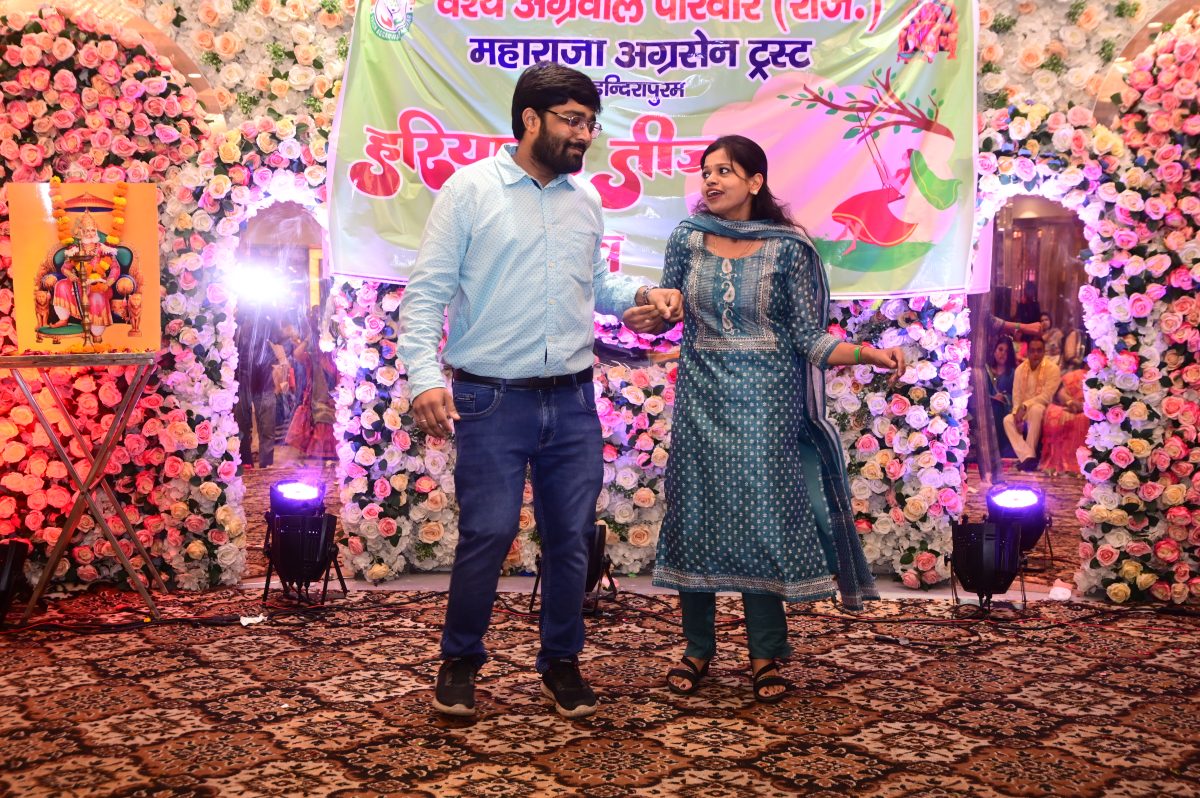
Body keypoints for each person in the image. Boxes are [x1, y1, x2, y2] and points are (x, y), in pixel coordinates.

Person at [397, 62, 683, 719]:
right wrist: (423, 378)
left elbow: (597, 284)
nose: (584, 134)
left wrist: (640, 297)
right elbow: (428, 292)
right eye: (572, 120)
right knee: (488, 533)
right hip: (490, 398)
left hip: (573, 400)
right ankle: (460, 661)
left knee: (572, 537)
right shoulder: (470, 190)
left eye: (591, 124)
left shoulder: (585, 200)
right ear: (530, 119)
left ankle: (561, 663)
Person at [641, 136, 903, 703]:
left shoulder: (789, 249)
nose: (711, 181)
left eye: (725, 171)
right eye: (706, 172)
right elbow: (668, 312)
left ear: (755, 181)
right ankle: (697, 648)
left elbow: (808, 337)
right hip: (701, 402)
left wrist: (868, 353)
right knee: (695, 517)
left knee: (759, 521)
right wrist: (652, 314)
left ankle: (766, 653)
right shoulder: (687, 238)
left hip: (767, 408)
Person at [234, 304, 286, 468]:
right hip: (241, 380)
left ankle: (266, 465)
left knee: (266, 426)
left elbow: (279, 339)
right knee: (241, 425)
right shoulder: (237, 323)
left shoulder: (267, 322)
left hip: (264, 381)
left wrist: (272, 313)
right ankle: (246, 462)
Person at [1002, 336, 1061, 472]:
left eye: (1039, 351)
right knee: (1007, 420)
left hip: (1044, 410)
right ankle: (1028, 457)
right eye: (1032, 351)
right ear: (1027, 352)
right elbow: (1016, 396)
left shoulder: (1053, 369)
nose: (1036, 354)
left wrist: (1025, 406)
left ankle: (1028, 457)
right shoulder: (1020, 370)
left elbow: (1047, 396)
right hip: (1023, 411)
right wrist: (1016, 414)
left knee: (1036, 409)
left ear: (1044, 351)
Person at [1039, 360, 1088, 475]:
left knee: (1082, 419)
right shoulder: (1075, 375)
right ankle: (1056, 462)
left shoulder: (1103, 378)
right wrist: (1070, 402)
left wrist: (1082, 406)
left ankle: (1077, 463)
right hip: (1071, 404)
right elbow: (1061, 393)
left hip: (1088, 407)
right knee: (1054, 413)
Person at [987, 338, 1016, 458]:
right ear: (994, 351)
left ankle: (1001, 450)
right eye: (1000, 349)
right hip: (986, 408)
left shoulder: (1013, 373)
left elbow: (1017, 395)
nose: (1003, 354)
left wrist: (1004, 397)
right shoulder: (985, 371)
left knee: (997, 409)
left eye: (1006, 351)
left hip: (1005, 410)